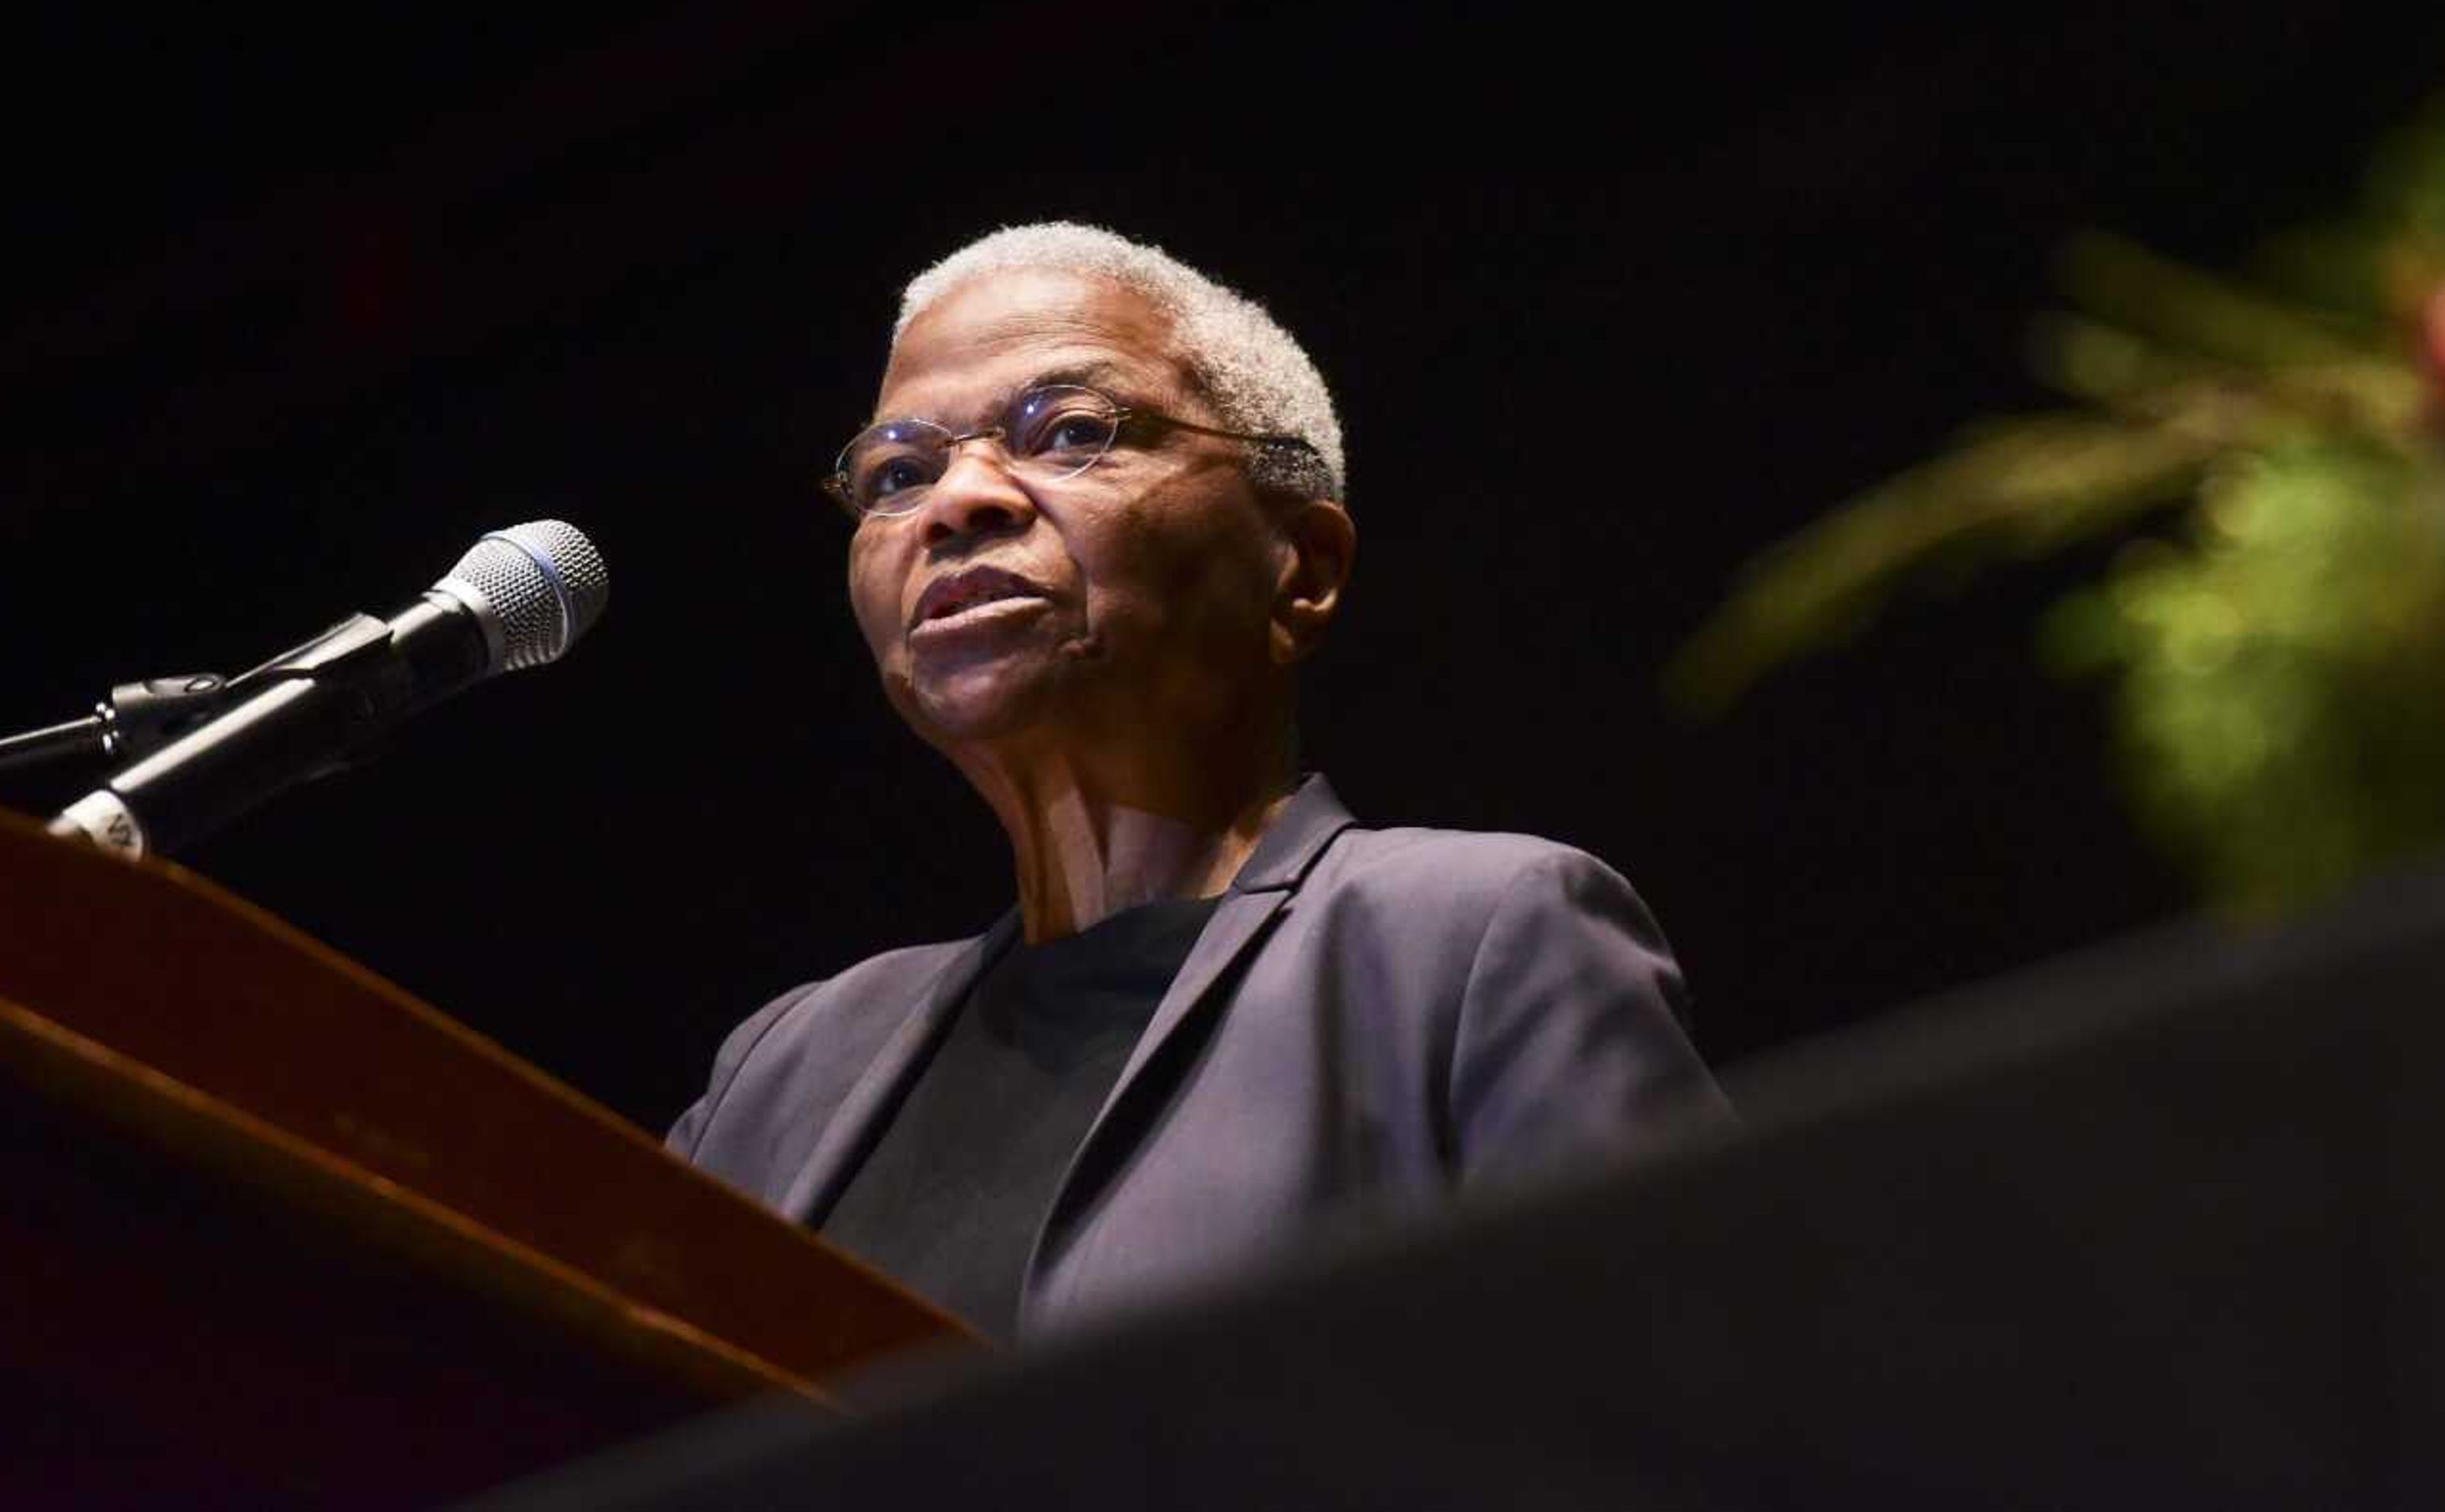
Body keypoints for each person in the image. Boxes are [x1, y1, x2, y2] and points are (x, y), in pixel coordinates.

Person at [666, 222, 1724, 1344]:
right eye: (898, 473)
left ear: (1301, 569)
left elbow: (1692, 1414)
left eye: (1070, 431)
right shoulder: (783, 1073)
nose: (957, 502)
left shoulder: (1465, 946)